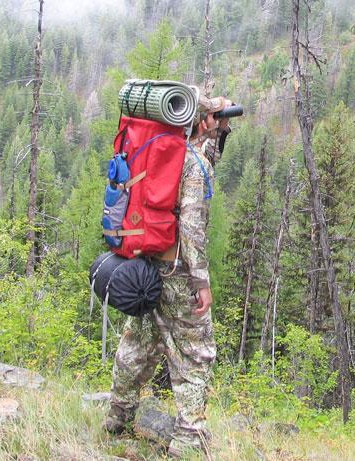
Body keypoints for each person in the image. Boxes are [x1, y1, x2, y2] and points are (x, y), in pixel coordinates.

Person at [104, 98, 232, 457]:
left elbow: (205, 160)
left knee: (138, 342)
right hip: (178, 272)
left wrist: (220, 132)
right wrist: (201, 282)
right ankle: (188, 439)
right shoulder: (193, 165)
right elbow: (191, 226)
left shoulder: (159, 151)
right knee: (196, 353)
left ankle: (117, 416)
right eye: (213, 117)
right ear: (202, 121)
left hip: (145, 265)